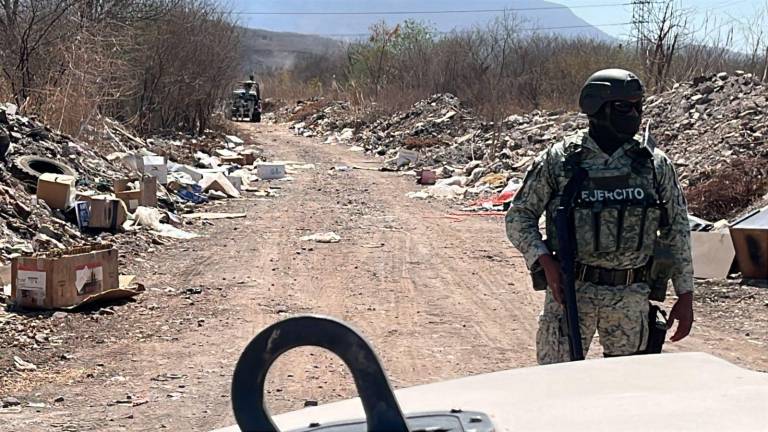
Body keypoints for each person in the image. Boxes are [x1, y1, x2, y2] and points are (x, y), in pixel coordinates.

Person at [505, 68, 694, 364]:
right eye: (623, 107)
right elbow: (519, 217)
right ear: (596, 108)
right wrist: (543, 261)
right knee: (556, 383)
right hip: (571, 292)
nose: (634, 115)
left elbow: (677, 230)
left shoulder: (653, 164)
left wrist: (685, 294)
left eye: (638, 106)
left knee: (626, 386)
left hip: (630, 296)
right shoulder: (561, 160)